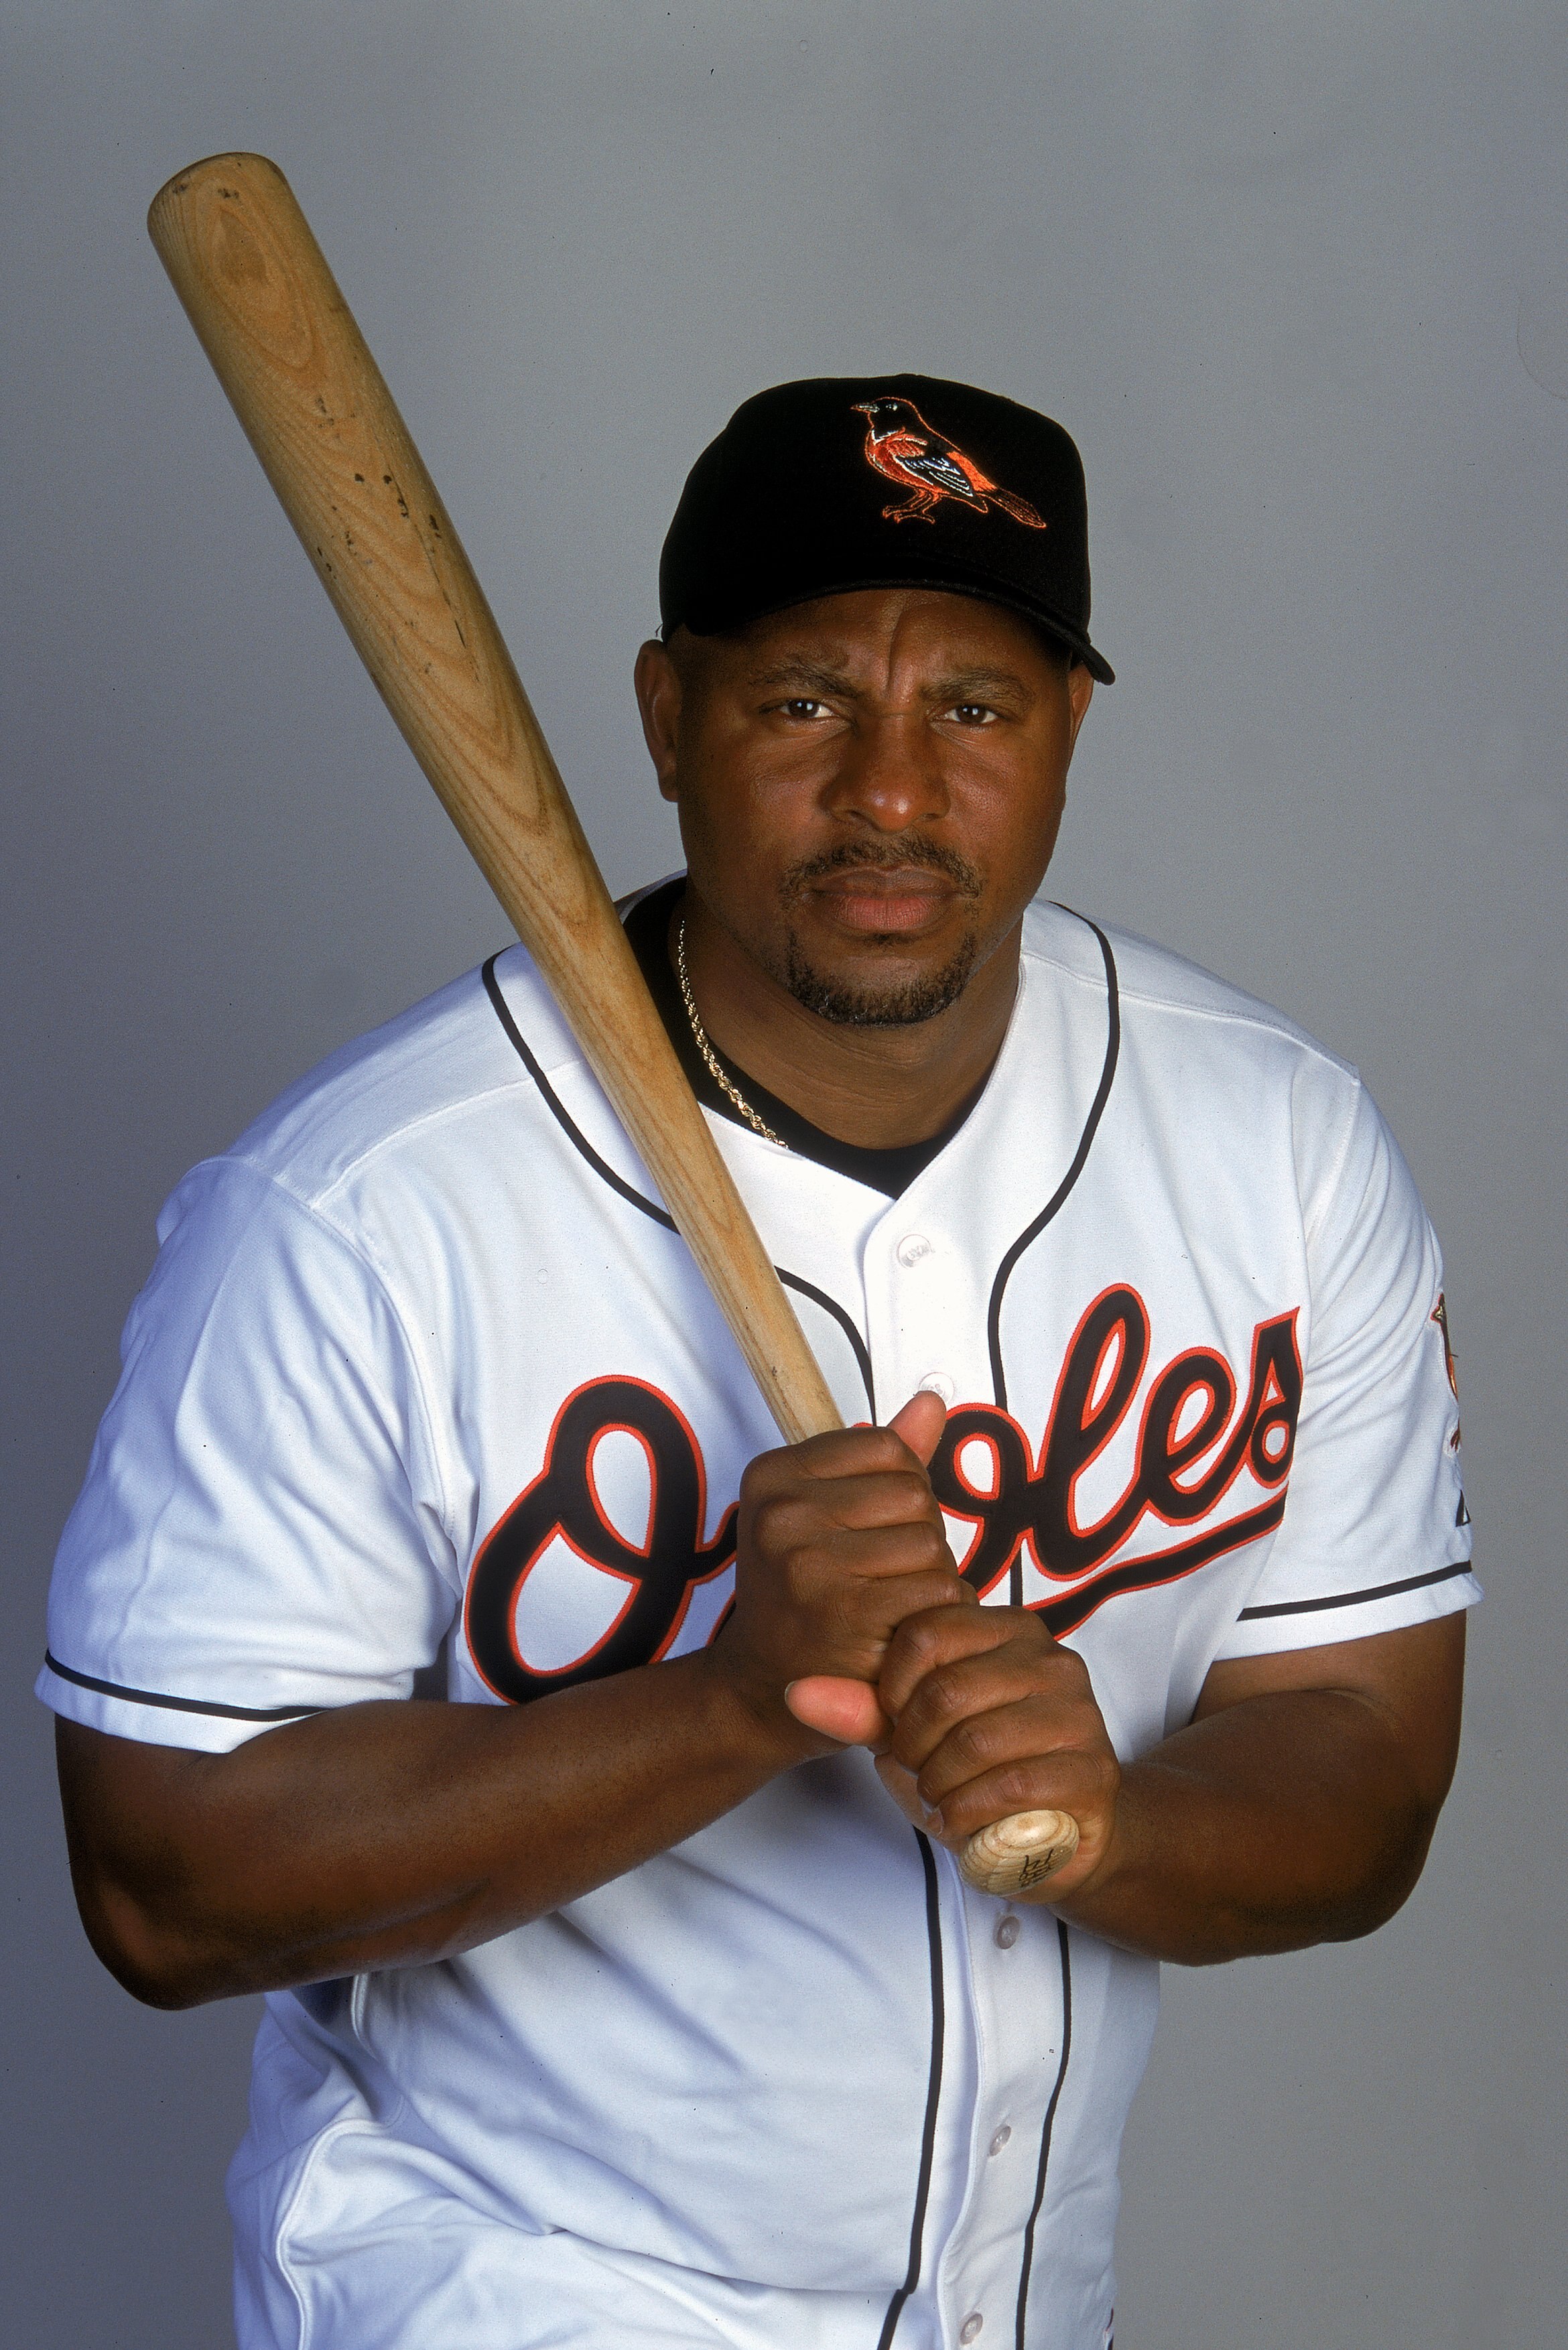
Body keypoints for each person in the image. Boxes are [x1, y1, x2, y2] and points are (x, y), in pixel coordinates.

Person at [42, 375, 1476, 2350]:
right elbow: (163, 1878)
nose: (890, 792)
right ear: (663, 717)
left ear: (1065, 730)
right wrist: (736, 1694)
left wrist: (1126, 1817)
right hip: (512, 2280)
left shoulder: (1274, 1141)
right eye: (803, 701)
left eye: (969, 708)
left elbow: (1364, 1753)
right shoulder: (360, 1205)